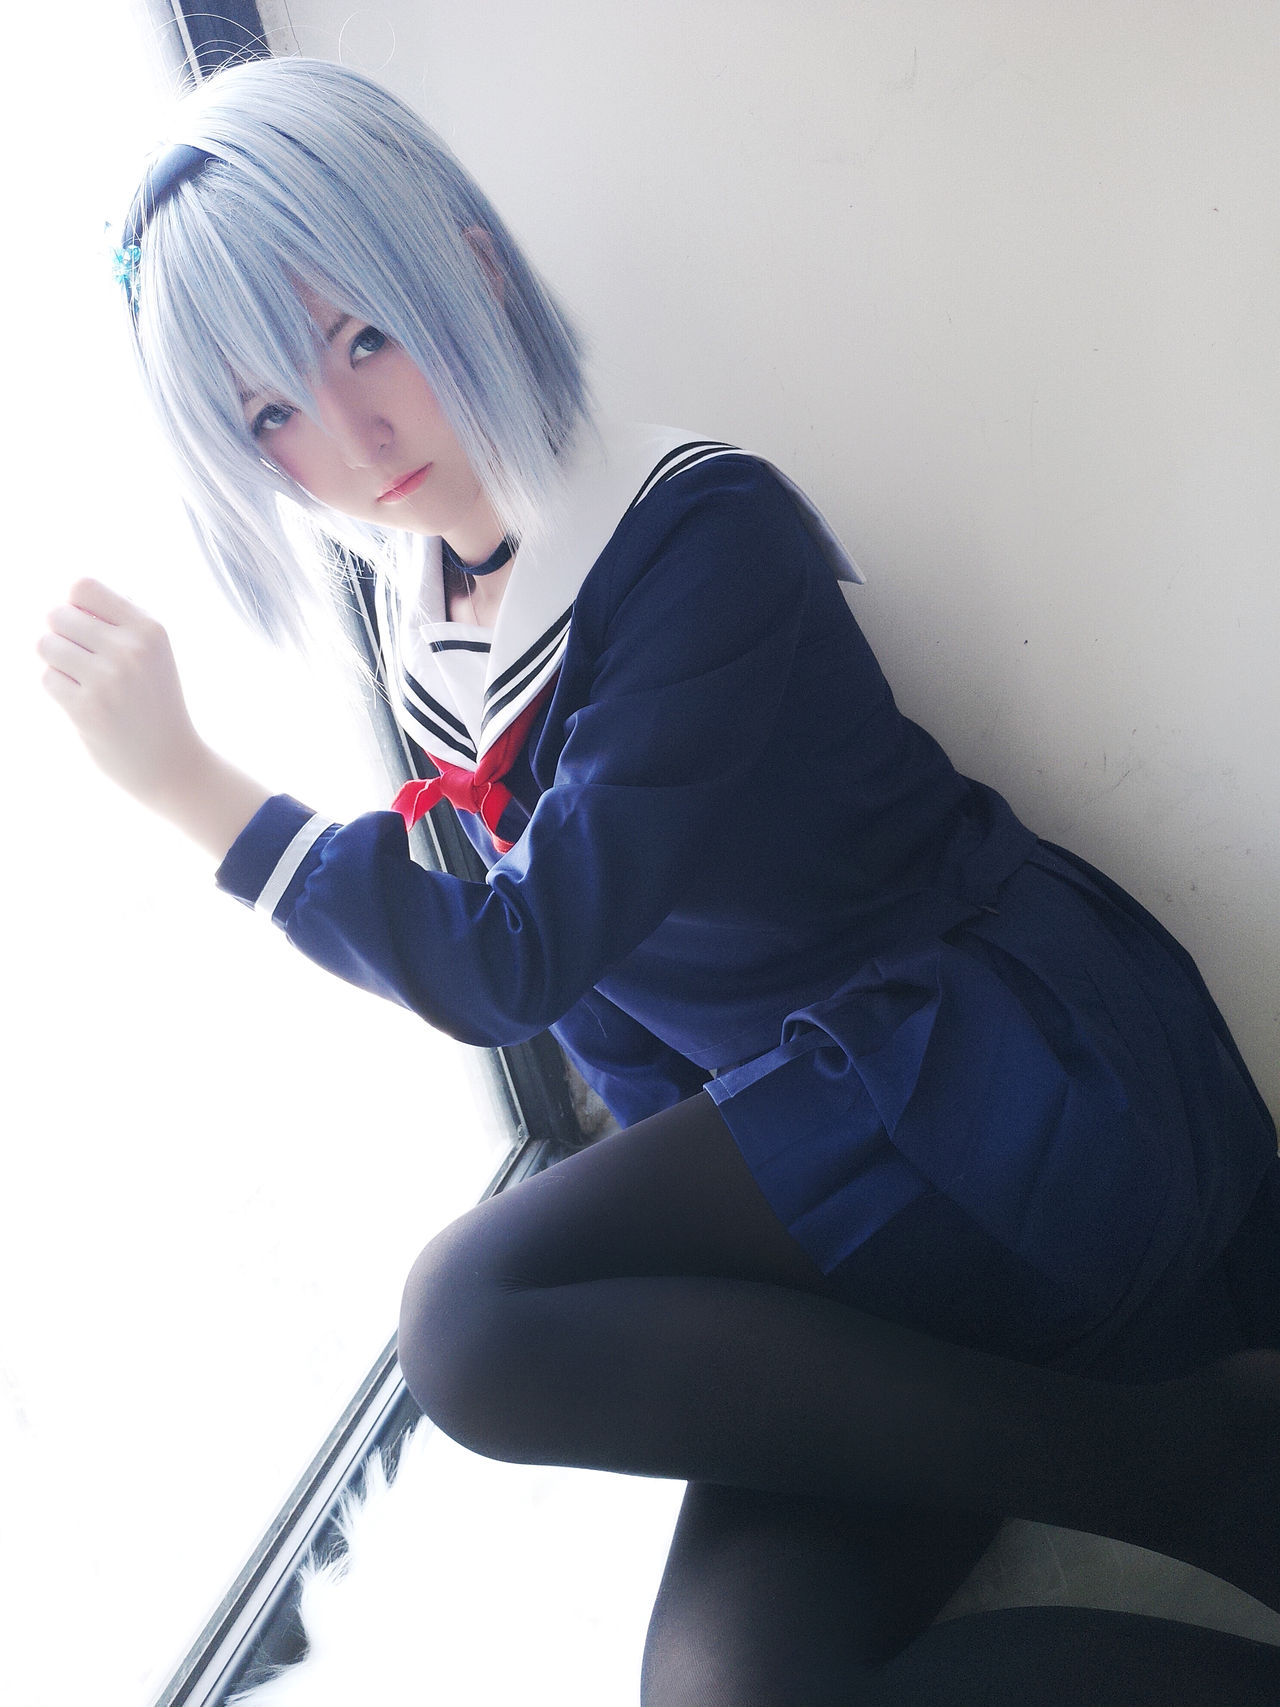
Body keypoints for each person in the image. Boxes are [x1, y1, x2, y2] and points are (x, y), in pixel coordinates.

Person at [40, 55, 1280, 1705]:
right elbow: (623, 1034)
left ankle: (1194, 1469)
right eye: (270, 413)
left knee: (469, 1315)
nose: (346, 434)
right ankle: (1180, 1462)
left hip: (997, 1101)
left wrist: (201, 797)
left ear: (467, 264)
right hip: (839, 1201)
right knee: (730, 1692)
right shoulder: (437, 614)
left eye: (362, 338)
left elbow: (520, 959)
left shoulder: (696, 535)